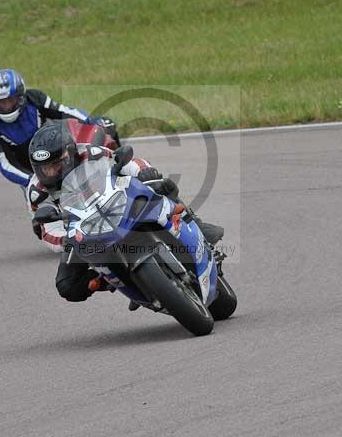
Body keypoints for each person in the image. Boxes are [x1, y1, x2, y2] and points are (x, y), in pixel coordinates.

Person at [26, 122, 224, 303]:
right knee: (67, 285)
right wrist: (65, 238)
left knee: (162, 186)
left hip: (117, 204)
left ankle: (196, 225)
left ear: (70, 152)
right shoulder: (36, 192)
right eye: (45, 168)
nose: (51, 172)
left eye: (57, 164)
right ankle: (112, 279)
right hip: (82, 230)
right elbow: (46, 228)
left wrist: (145, 172)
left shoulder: (91, 153)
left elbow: (128, 163)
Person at [0, 68, 119, 193]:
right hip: (30, 174)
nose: (7, 107)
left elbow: (63, 111)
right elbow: (4, 165)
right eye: (2, 103)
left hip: (58, 156)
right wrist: (31, 180)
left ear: (20, 96)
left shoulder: (35, 98)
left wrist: (94, 121)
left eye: (11, 100)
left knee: (106, 128)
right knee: (40, 208)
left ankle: (120, 169)